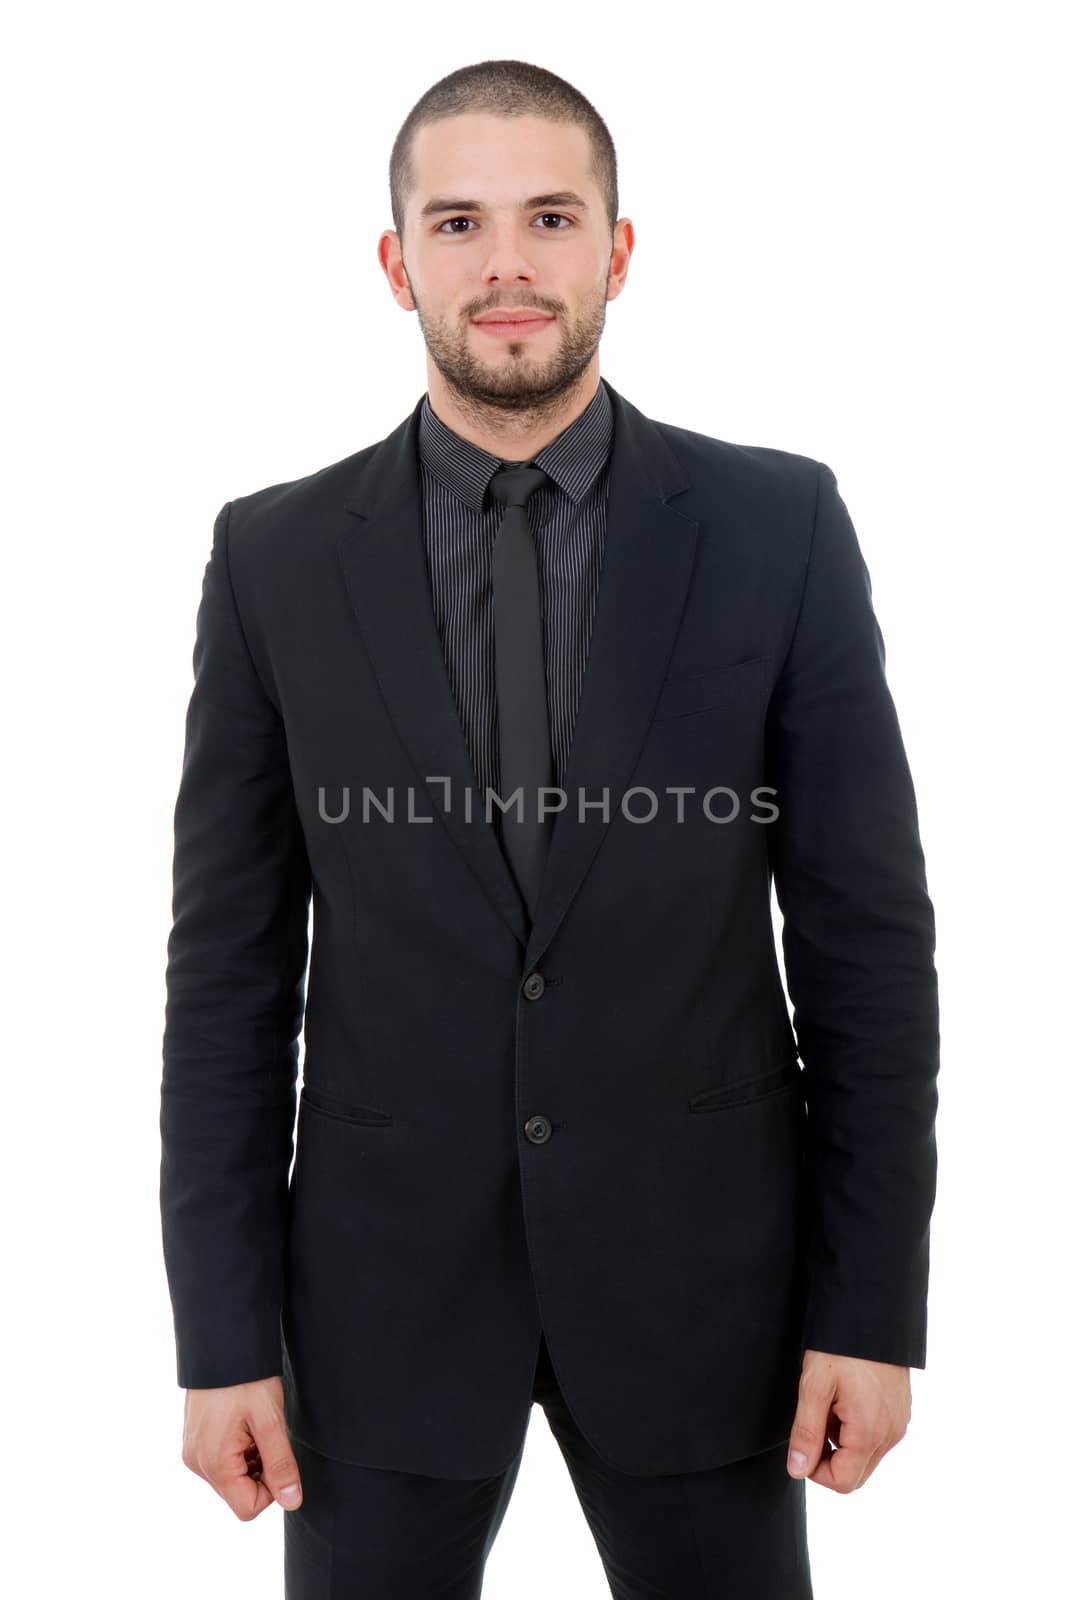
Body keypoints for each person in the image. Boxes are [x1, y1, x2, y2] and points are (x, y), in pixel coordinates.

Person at [160, 57, 940, 1599]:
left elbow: (866, 948)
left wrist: (871, 1306)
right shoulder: (274, 556)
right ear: (397, 265)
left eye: (548, 218)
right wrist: (220, 1333)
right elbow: (227, 977)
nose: (504, 263)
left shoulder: (776, 528)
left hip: (709, 1300)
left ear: (616, 252)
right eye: (457, 223)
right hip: (373, 1312)